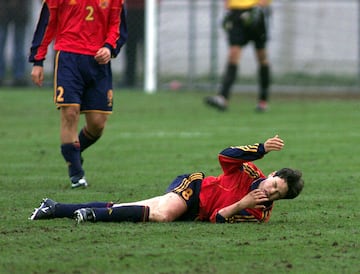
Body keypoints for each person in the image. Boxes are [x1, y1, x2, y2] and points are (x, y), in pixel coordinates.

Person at [30, 135, 304, 224]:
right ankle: (92, 216)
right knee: (162, 215)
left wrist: (242, 203)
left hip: (196, 211)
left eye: (277, 195)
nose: (271, 192)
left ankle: (55, 208)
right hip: (193, 187)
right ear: (272, 175)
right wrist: (260, 149)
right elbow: (225, 156)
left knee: (134, 206)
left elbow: (218, 219)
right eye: (275, 185)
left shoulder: (258, 213)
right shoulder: (249, 172)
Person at [29, 0, 128, 188]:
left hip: (98, 63)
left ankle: (73, 153)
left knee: (97, 124)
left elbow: (117, 25)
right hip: (68, 57)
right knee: (70, 112)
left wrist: (109, 47)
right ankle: (76, 175)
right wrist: (38, 60)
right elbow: (47, 23)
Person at [205, 0, 272, 112]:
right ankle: (223, 98)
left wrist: (262, 5)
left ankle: (263, 101)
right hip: (235, 13)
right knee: (233, 54)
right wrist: (227, 8)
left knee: (262, 57)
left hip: (255, 11)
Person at [0, 1, 31, 86]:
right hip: (13, 10)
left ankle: (19, 76)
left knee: (18, 45)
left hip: (14, 11)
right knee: (18, 45)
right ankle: (19, 75)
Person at [122, 0, 145, 87]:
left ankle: (148, 78)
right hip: (132, 10)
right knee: (130, 46)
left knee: (147, 48)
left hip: (147, 11)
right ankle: (129, 80)